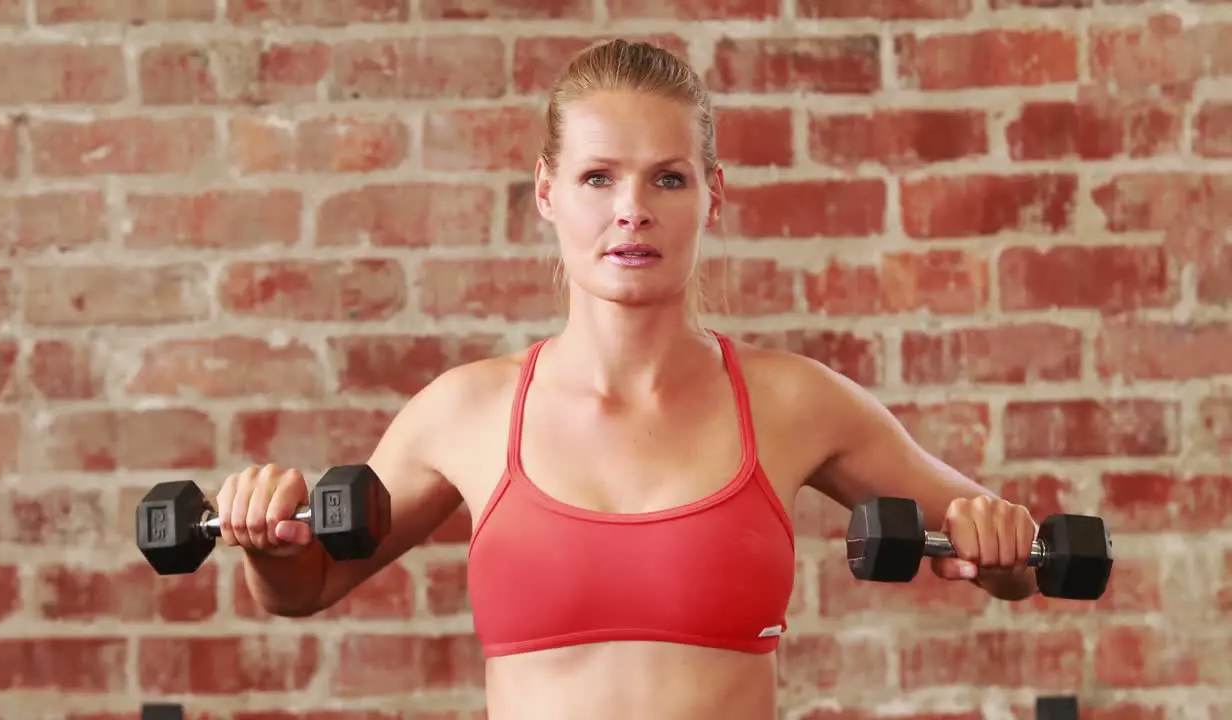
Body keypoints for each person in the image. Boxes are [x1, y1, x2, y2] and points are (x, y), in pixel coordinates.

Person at [214, 39, 1040, 720]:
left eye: (667, 178)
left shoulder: (795, 401)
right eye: (598, 177)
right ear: (548, 192)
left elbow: (1010, 551)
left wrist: (1001, 552)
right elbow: (306, 585)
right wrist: (263, 540)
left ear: (712, 198)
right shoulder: (465, 411)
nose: (632, 210)